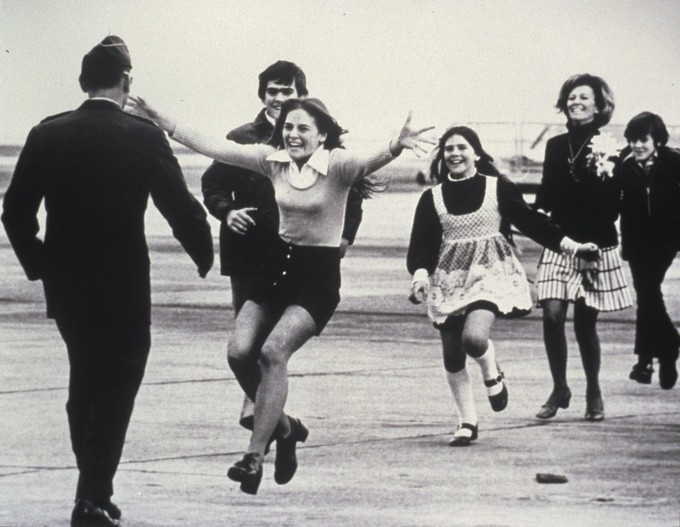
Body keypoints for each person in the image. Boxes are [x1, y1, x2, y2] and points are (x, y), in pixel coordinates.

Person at [130, 94, 434, 493]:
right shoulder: (272, 162)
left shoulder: (338, 166)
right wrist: (161, 119)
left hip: (317, 280)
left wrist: (396, 145)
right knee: (239, 352)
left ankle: (254, 456)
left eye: (303, 128)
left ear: (322, 134)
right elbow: (216, 146)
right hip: (274, 271)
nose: (293, 134)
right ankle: (286, 430)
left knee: (273, 353)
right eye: (288, 127)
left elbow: (368, 162)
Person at [1, 36, 213, 527]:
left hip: (68, 286)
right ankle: (93, 495)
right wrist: (203, 253)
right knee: (118, 385)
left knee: (86, 380)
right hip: (124, 286)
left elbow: (14, 212)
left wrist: (41, 264)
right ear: (127, 81)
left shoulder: (47, 133)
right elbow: (177, 204)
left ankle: (92, 491)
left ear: (83, 83)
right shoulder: (142, 135)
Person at [201, 61, 366, 432]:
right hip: (248, 254)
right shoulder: (243, 137)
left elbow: (351, 193)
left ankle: (260, 414)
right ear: (262, 95)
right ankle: (274, 420)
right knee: (245, 342)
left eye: (287, 91)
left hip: (299, 255)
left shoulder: (312, 136)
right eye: (272, 91)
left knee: (275, 345)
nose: (278, 98)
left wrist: (344, 237)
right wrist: (226, 212)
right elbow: (211, 185)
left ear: (300, 96)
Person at [407, 126, 597, 446]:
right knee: (452, 356)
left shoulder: (498, 188)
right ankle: (467, 421)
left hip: (491, 273)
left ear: (476, 153)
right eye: (448, 148)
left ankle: (490, 368)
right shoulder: (432, 197)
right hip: (450, 278)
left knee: (474, 338)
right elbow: (421, 245)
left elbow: (533, 221)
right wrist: (420, 277)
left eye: (462, 147)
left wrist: (573, 247)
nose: (455, 153)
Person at [533, 74, 632, 422]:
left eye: (584, 97)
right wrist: (531, 216)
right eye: (571, 97)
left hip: (597, 246)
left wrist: (589, 251)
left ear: (599, 105)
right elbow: (547, 192)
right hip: (561, 244)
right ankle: (560, 387)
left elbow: (611, 208)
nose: (576, 102)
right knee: (552, 315)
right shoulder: (555, 146)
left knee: (584, 323)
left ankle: (593, 389)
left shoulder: (612, 148)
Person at [615, 112, 680, 389]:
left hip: (666, 239)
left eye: (643, 139)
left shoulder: (675, 161)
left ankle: (646, 360)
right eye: (632, 140)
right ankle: (667, 350)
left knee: (648, 292)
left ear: (657, 140)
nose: (637, 145)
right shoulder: (622, 164)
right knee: (647, 296)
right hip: (637, 240)